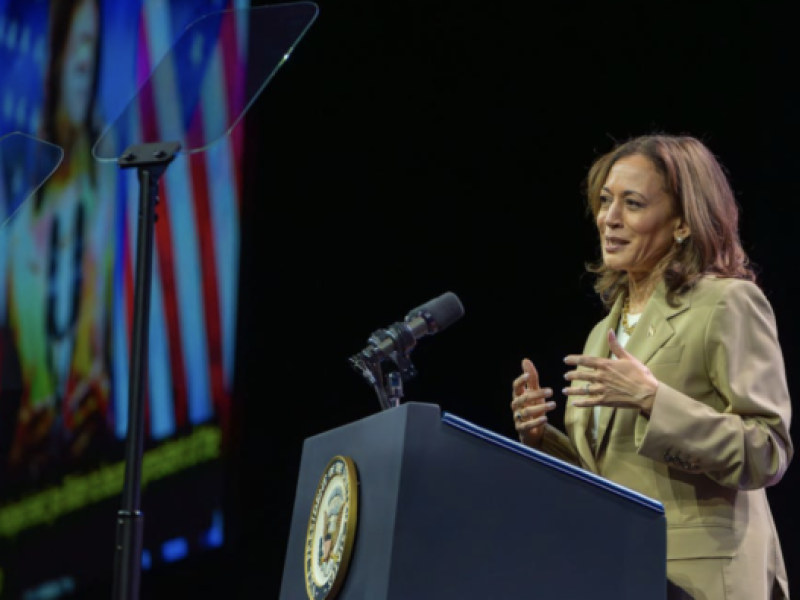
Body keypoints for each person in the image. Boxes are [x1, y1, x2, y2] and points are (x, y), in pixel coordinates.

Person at [510, 134, 793, 599]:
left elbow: (768, 450)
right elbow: (608, 476)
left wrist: (652, 399)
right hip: (620, 571)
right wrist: (542, 440)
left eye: (633, 204)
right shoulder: (603, 332)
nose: (609, 219)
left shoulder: (727, 304)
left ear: (682, 222)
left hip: (701, 579)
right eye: (604, 202)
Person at [2, 0, 115, 482]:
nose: (85, 66)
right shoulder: (16, 211)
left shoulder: (112, 181)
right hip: (23, 478)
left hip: (99, 463)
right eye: (77, 45)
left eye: (93, 46)